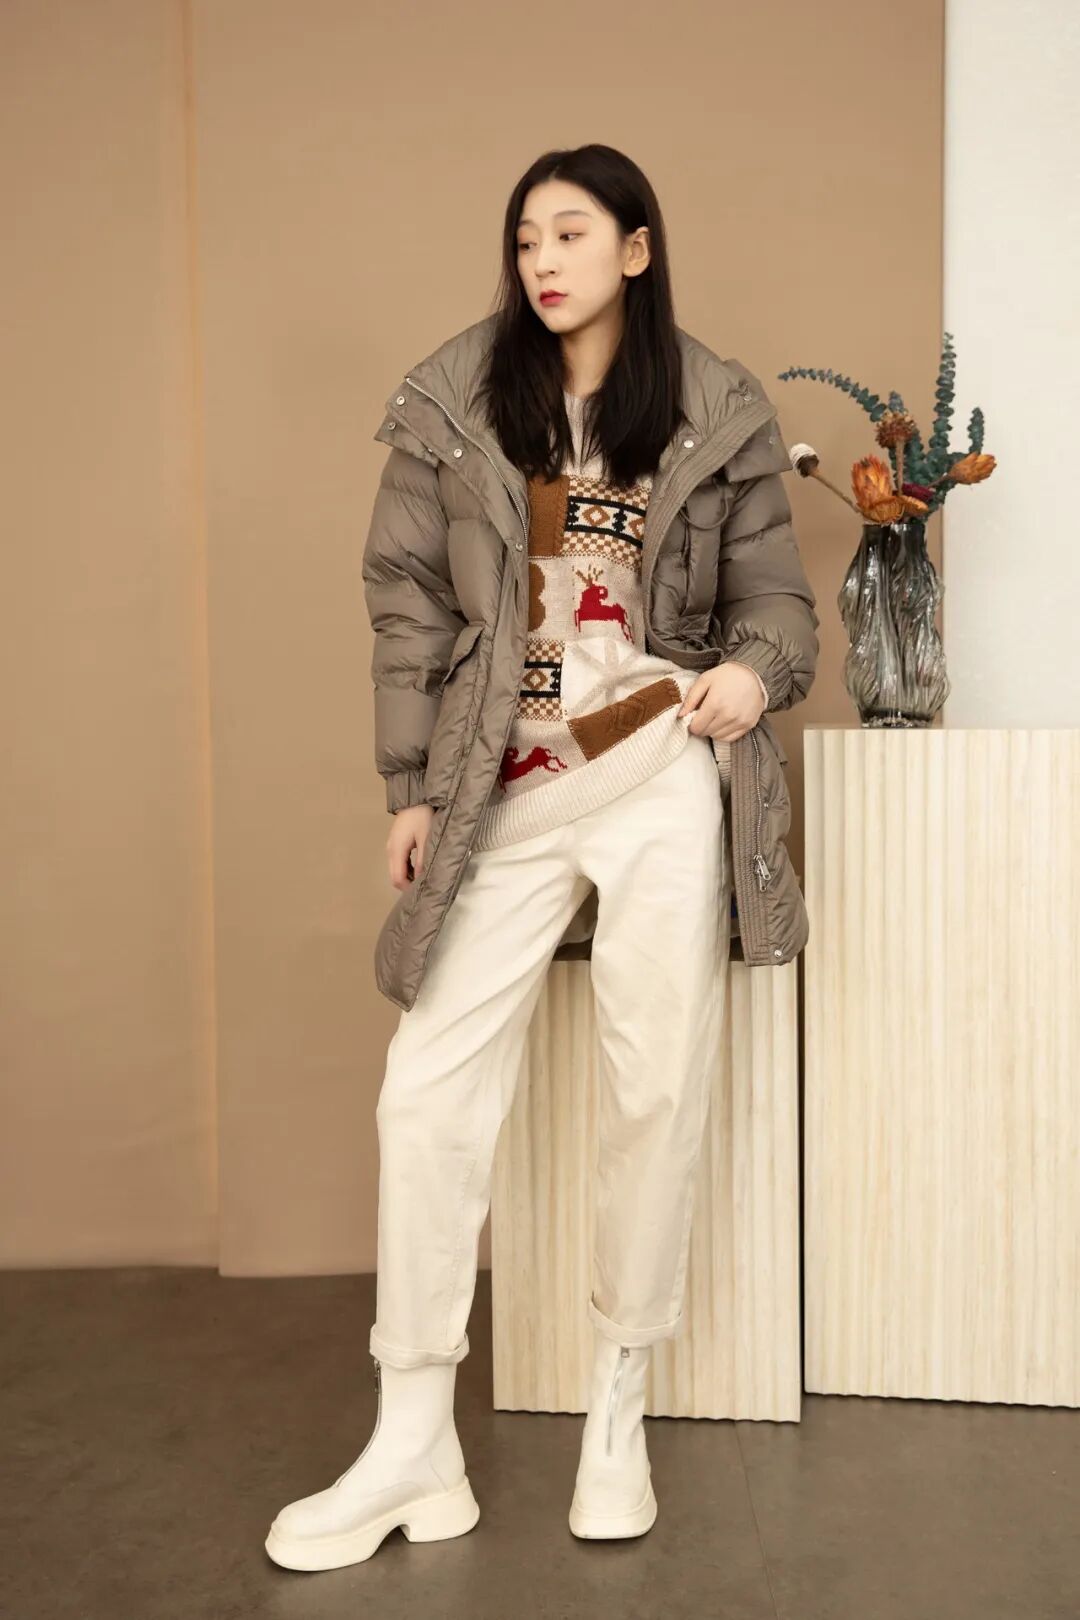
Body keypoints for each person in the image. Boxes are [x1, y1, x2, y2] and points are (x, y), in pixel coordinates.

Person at [265, 142, 818, 1571]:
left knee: (656, 1081)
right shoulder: (459, 398)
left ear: (636, 248)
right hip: (502, 786)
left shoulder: (714, 407)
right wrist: (408, 787)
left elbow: (778, 603)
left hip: (654, 770)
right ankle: (413, 1443)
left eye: (571, 234)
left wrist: (750, 673)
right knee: (426, 1092)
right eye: (525, 240)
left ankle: (617, 1410)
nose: (543, 262)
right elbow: (406, 601)